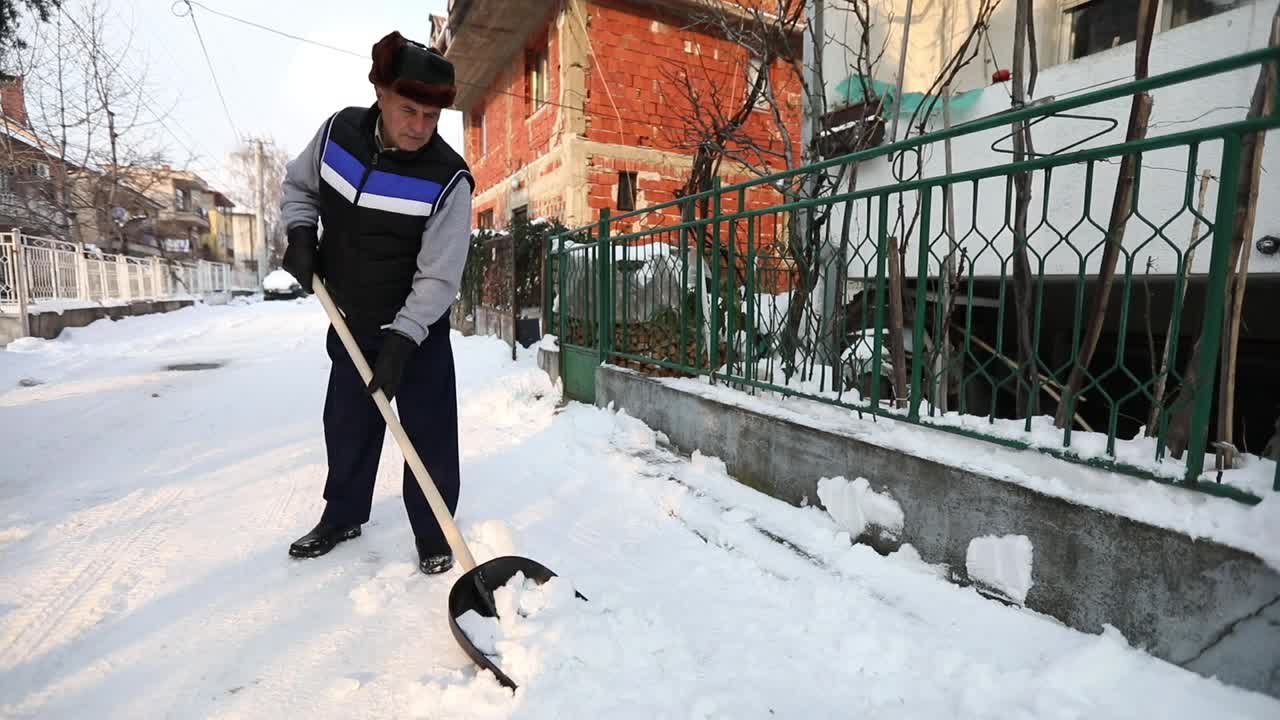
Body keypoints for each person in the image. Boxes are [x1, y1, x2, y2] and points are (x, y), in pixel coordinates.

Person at [278, 31, 473, 575]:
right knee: (347, 421)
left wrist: (405, 336)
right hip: (350, 317)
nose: (419, 127)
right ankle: (342, 515)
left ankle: (434, 532)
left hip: (417, 328)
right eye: (409, 110)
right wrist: (299, 232)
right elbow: (300, 188)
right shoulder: (338, 134)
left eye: (432, 117)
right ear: (380, 94)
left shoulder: (448, 178)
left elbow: (439, 275)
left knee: (428, 431)